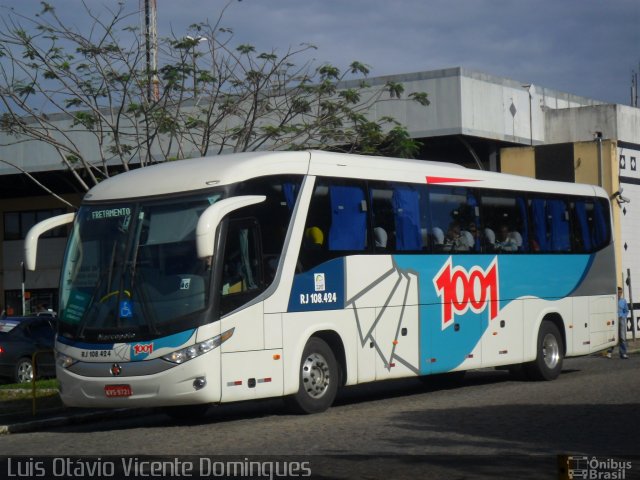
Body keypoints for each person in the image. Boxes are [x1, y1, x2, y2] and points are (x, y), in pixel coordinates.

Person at [607, 287, 629, 359]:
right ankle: (609, 352)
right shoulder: (612, 300)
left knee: (622, 337)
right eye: (618, 292)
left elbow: (626, 310)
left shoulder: (623, 301)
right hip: (613, 320)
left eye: (620, 292)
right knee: (613, 336)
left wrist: (623, 316)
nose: (619, 294)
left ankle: (623, 353)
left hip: (621, 319)